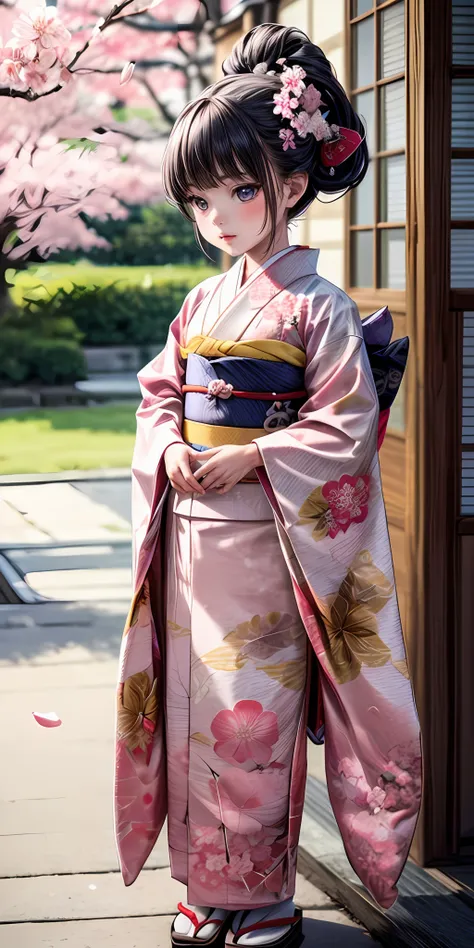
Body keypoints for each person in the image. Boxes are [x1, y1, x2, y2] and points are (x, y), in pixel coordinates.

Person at [114, 23, 423, 948]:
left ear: (289, 186)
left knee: (255, 720)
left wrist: (254, 455)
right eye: (201, 200)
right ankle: (207, 891)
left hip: (267, 547)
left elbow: (343, 423)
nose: (217, 217)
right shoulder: (203, 302)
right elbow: (158, 390)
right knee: (192, 720)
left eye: (238, 191)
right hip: (192, 550)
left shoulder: (315, 306)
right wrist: (168, 441)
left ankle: (268, 896)